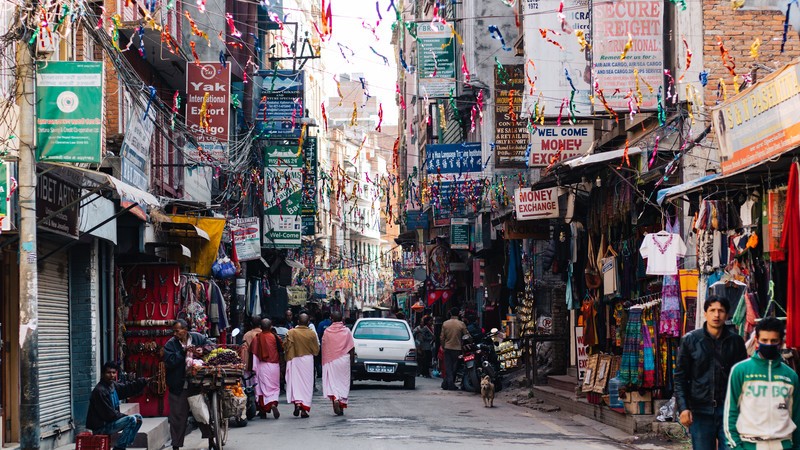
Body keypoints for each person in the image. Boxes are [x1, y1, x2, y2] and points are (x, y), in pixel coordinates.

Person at [674, 296, 747, 450]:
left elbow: (742, 379)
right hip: (700, 410)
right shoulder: (690, 340)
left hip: (729, 410)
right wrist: (683, 408)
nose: (716, 315)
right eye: (712, 310)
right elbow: (680, 378)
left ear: (727, 315)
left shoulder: (736, 341)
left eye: (721, 311)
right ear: (705, 313)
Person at [724, 317, 800, 449]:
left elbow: (796, 415)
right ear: (756, 340)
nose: (769, 344)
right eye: (764, 340)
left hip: (783, 445)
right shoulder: (741, 371)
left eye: (774, 341)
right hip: (750, 444)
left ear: (781, 342)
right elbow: (730, 412)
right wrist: (736, 446)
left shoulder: (791, 375)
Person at [162, 319, 213, 450]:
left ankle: (211, 439)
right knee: (177, 417)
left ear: (185, 330)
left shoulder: (197, 337)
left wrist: (203, 349)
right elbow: (169, 362)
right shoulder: (170, 344)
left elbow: (211, 346)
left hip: (197, 383)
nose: (175, 334)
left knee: (202, 412)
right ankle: (176, 445)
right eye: (173, 331)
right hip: (178, 385)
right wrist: (182, 352)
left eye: (177, 331)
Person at [85, 362, 147, 450]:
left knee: (138, 417)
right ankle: (119, 448)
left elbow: (127, 388)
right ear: (103, 374)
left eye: (114, 373)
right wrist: (126, 417)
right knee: (132, 419)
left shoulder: (112, 385)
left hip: (110, 423)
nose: (112, 375)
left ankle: (124, 444)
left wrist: (143, 382)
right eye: (108, 373)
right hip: (101, 427)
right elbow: (109, 415)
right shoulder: (99, 391)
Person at [284, 313, 320, 418]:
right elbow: (316, 350)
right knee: (306, 385)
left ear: (298, 322)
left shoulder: (291, 332)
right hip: (307, 361)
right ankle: (304, 410)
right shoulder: (311, 333)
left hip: (294, 360)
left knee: (295, 383)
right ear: (308, 322)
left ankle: (297, 403)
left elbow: (285, 346)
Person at [321, 311, 355, 415]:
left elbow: (324, 348)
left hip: (331, 360)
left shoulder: (327, 331)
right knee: (343, 382)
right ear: (342, 319)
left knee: (333, 382)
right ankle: (341, 403)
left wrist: (324, 361)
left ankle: (335, 398)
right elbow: (352, 348)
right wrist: (352, 361)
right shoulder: (347, 331)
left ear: (331, 319)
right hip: (344, 360)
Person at [251, 318, 283, 420]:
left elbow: (255, 355)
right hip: (274, 366)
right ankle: (273, 403)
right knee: (275, 387)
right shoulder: (275, 337)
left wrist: (254, 368)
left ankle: (263, 410)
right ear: (270, 326)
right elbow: (281, 350)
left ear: (261, 327)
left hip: (262, 365)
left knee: (262, 388)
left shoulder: (257, 338)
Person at [440, 307, 468, 391]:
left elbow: (442, 337)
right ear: (458, 314)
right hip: (457, 348)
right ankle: (450, 385)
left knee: (448, 367)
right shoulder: (461, 324)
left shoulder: (445, 323)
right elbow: (466, 335)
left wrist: (443, 346)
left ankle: (445, 384)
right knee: (454, 367)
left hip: (447, 347)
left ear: (450, 313)